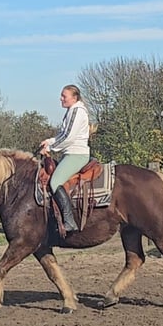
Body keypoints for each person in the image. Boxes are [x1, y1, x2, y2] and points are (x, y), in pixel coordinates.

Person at [39, 84, 90, 232]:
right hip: (71, 153)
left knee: (55, 182)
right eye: (61, 95)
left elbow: (69, 137)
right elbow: (63, 135)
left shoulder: (77, 111)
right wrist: (49, 141)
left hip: (77, 154)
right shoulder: (72, 111)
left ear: (74, 98)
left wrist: (49, 148)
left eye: (64, 96)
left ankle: (69, 221)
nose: (61, 98)